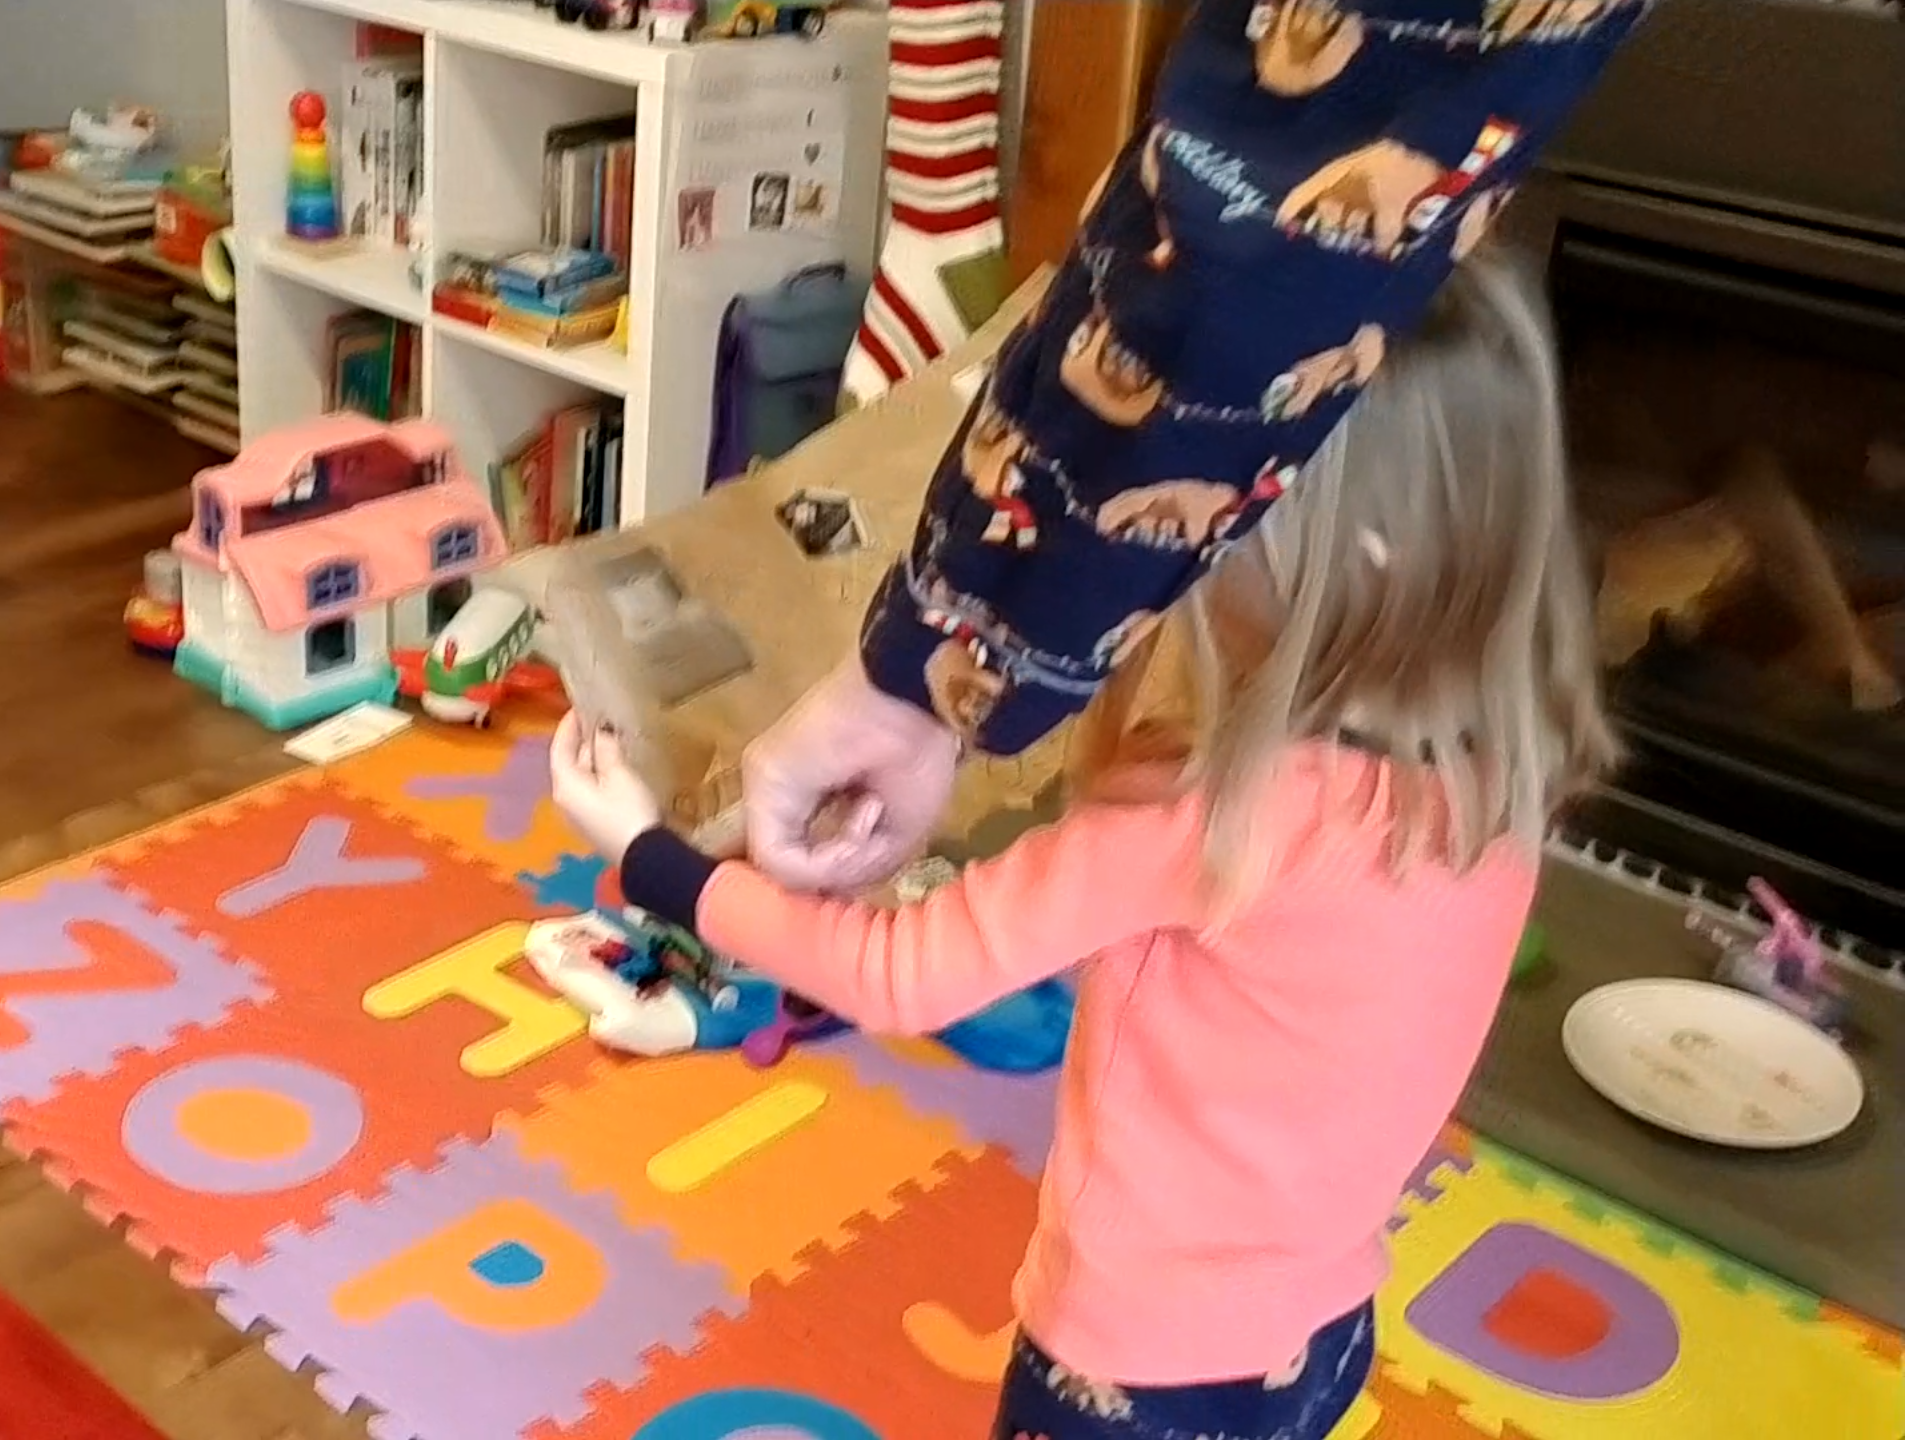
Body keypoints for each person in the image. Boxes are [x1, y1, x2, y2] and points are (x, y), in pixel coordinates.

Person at [549, 254, 1617, 1440]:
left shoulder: (1213, 813)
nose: (1172, 543)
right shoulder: (1495, 785)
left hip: (1129, 1375)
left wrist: (654, 858)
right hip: (1321, 1337)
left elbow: (896, 975)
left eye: (1208, 519)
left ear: (1348, 544)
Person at [744, 0, 1651, 892]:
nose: (1188, 579)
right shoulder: (1487, 813)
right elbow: (1233, 212)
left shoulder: (1197, 817)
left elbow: (1242, 236)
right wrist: (920, 677)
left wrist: (710, 879)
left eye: (1219, 541)